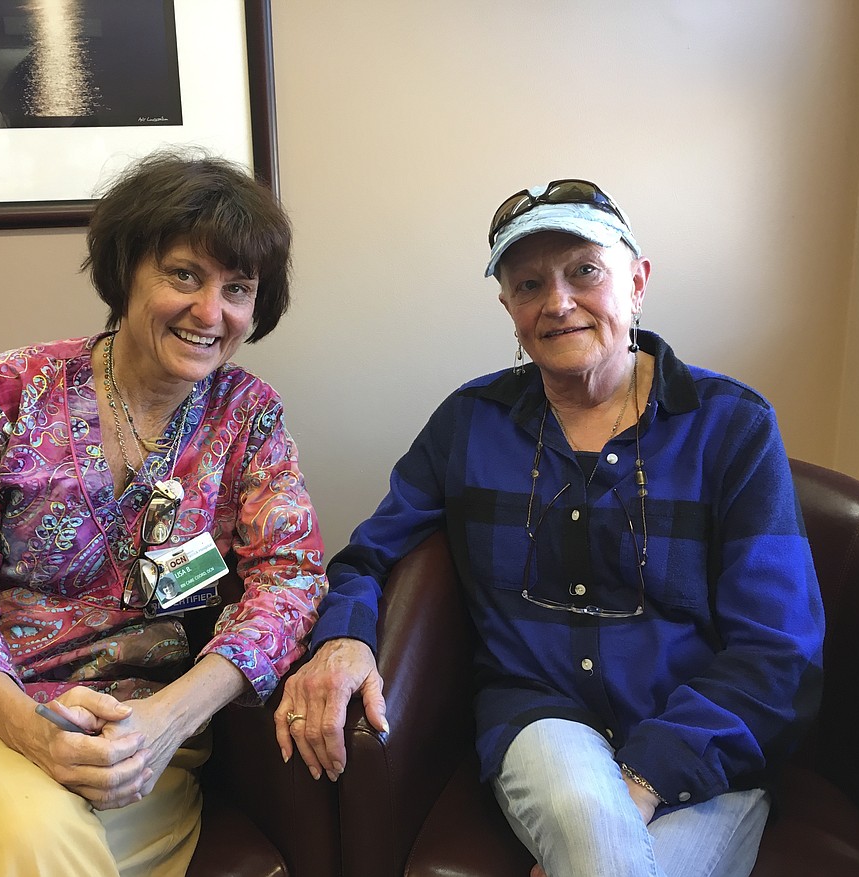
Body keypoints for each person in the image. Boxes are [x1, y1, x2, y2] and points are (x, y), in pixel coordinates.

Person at [277, 179, 825, 877]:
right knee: (595, 837)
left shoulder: (732, 427)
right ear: (509, 308)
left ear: (637, 280)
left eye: (584, 272)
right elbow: (368, 554)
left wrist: (644, 780)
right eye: (529, 283)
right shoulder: (467, 424)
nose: (558, 302)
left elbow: (780, 646)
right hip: (541, 718)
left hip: (705, 734)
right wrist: (345, 635)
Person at [0, 151, 327, 877]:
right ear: (127, 271)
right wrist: (31, 731)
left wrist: (170, 721)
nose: (210, 311)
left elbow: (290, 582)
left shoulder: (247, 416)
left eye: (239, 288)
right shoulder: (7, 392)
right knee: (32, 840)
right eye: (184, 274)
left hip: (134, 738)